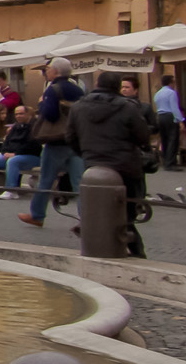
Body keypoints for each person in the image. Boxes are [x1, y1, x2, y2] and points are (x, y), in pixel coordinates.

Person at [72, 71, 157, 257]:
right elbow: (143, 136)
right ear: (118, 87)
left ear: (97, 83)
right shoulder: (128, 107)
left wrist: (88, 154)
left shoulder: (78, 107)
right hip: (125, 164)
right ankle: (133, 245)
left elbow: (70, 137)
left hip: (93, 163)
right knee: (127, 208)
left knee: (97, 202)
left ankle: (95, 232)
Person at [21, 57, 87, 228]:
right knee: (80, 182)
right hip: (75, 141)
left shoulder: (53, 90)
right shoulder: (78, 90)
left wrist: (41, 105)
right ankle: (87, 218)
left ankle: (37, 215)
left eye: (48, 68)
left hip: (56, 141)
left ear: (56, 71)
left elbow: (50, 114)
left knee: (46, 180)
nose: (46, 71)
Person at [152, 76, 183, 171]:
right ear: (171, 83)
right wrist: (180, 120)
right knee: (173, 139)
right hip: (170, 116)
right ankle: (171, 162)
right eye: (174, 82)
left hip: (160, 116)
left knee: (164, 139)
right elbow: (174, 107)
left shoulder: (157, 93)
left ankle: (166, 161)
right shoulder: (172, 93)